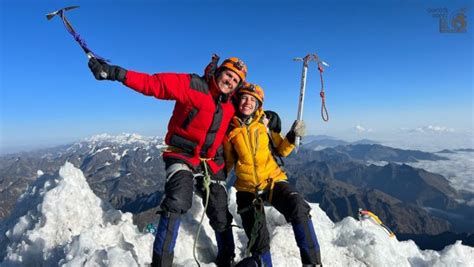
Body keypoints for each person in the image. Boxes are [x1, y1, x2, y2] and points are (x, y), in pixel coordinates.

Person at [88, 55, 247, 267]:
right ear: (219, 71)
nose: (231, 81)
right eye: (229, 75)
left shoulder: (230, 104)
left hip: (211, 161)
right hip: (182, 153)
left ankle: (226, 259)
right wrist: (115, 73)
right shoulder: (192, 85)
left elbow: (251, 105)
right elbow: (154, 84)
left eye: (236, 80)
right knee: (177, 201)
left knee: (219, 211)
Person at [223, 83, 322, 267]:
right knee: (259, 242)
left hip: (272, 179)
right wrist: (215, 179)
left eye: (253, 100)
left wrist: (293, 135)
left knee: (299, 208)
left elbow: (281, 150)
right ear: (238, 100)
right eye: (244, 98)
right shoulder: (231, 129)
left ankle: (313, 264)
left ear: (258, 104)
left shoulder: (265, 124)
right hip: (247, 188)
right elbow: (228, 162)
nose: (248, 102)